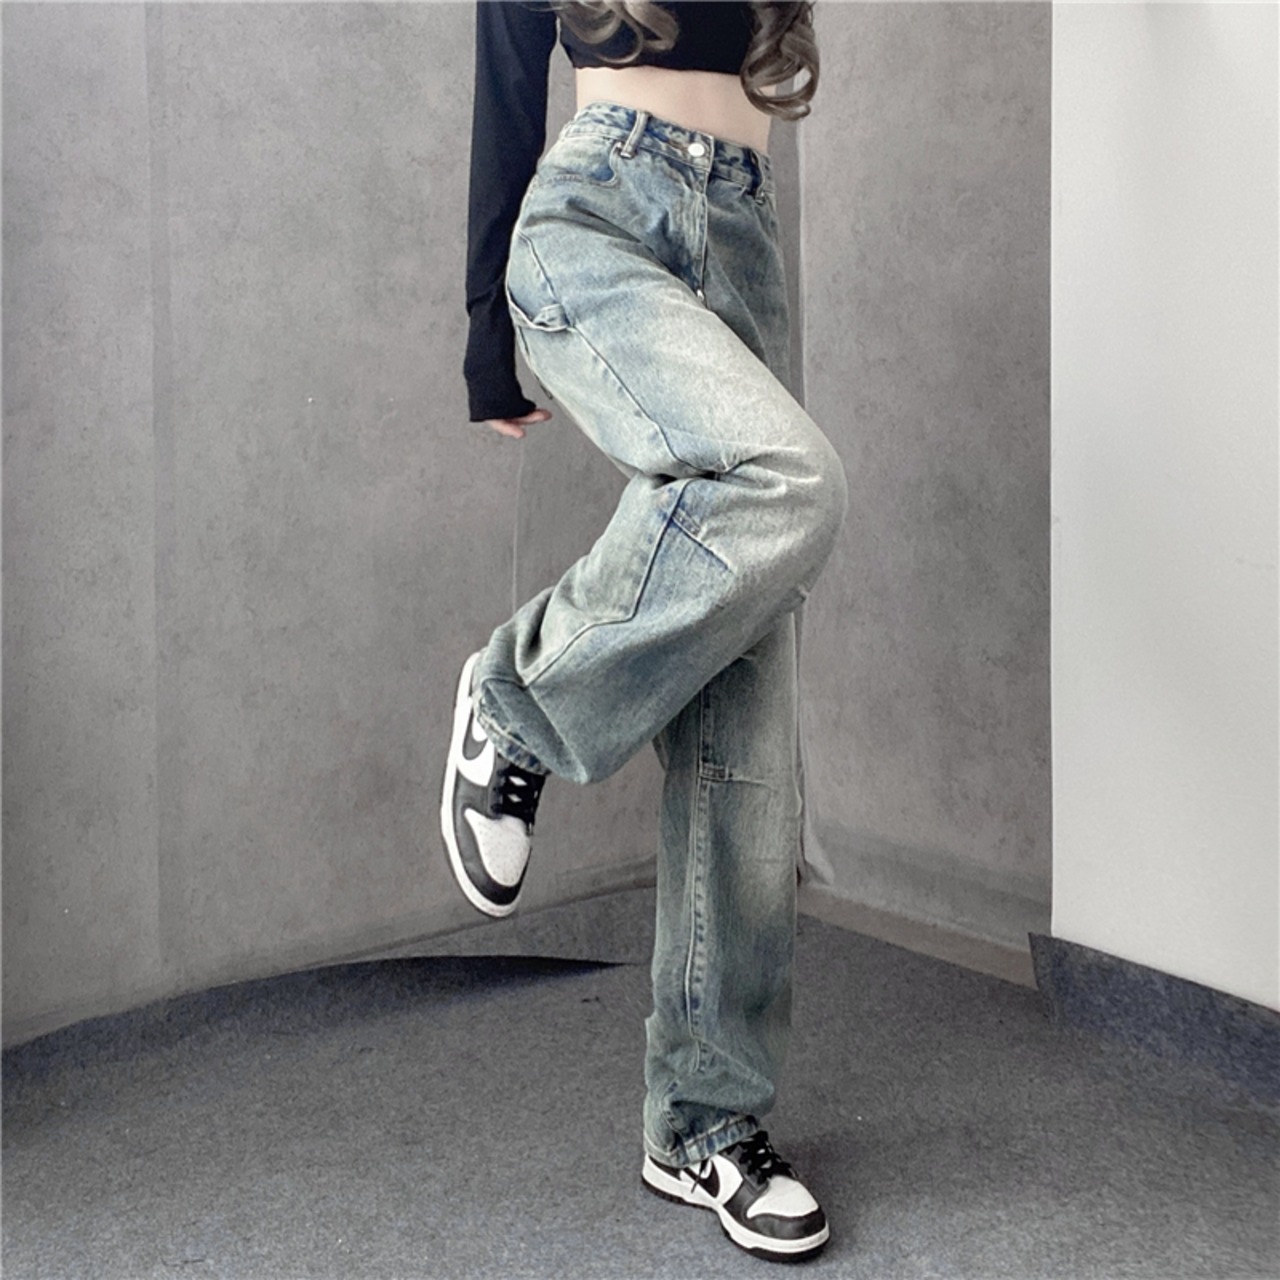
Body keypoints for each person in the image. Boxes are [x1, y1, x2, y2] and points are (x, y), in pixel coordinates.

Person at [443, 0, 847, 1261]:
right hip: (599, 213)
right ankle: (519, 700)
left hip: (742, 238)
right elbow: (506, 81)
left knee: (745, 719)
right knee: (788, 482)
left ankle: (701, 1122)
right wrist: (485, 337)